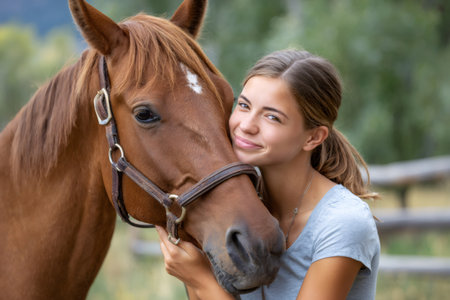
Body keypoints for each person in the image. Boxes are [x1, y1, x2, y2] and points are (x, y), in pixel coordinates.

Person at [156, 49, 380, 300]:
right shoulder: (237, 213)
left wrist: (200, 278)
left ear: (313, 137)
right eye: (243, 105)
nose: (246, 125)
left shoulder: (342, 222)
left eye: (272, 117)